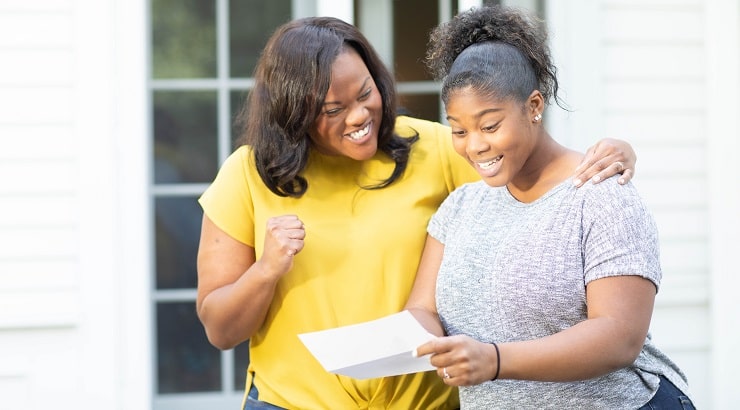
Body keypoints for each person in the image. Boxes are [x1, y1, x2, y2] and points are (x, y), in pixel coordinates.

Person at [196, 15, 637, 410]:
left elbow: (523, 165)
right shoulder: (246, 176)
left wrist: (613, 151)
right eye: (333, 109)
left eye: (366, 93)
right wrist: (266, 270)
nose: (359, 116)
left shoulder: (435, 147)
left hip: (427, 405)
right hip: (291, 404)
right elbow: (220, 330)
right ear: (294, 113)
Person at [405, 5, 694, 409]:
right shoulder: (461, 207)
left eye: (490, 126)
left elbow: (619, 336)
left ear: (534, 106)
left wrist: (496, 359)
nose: (474, 145)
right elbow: (422, 308)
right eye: (459, 130)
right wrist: (414, 341)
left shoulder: (600, 194)